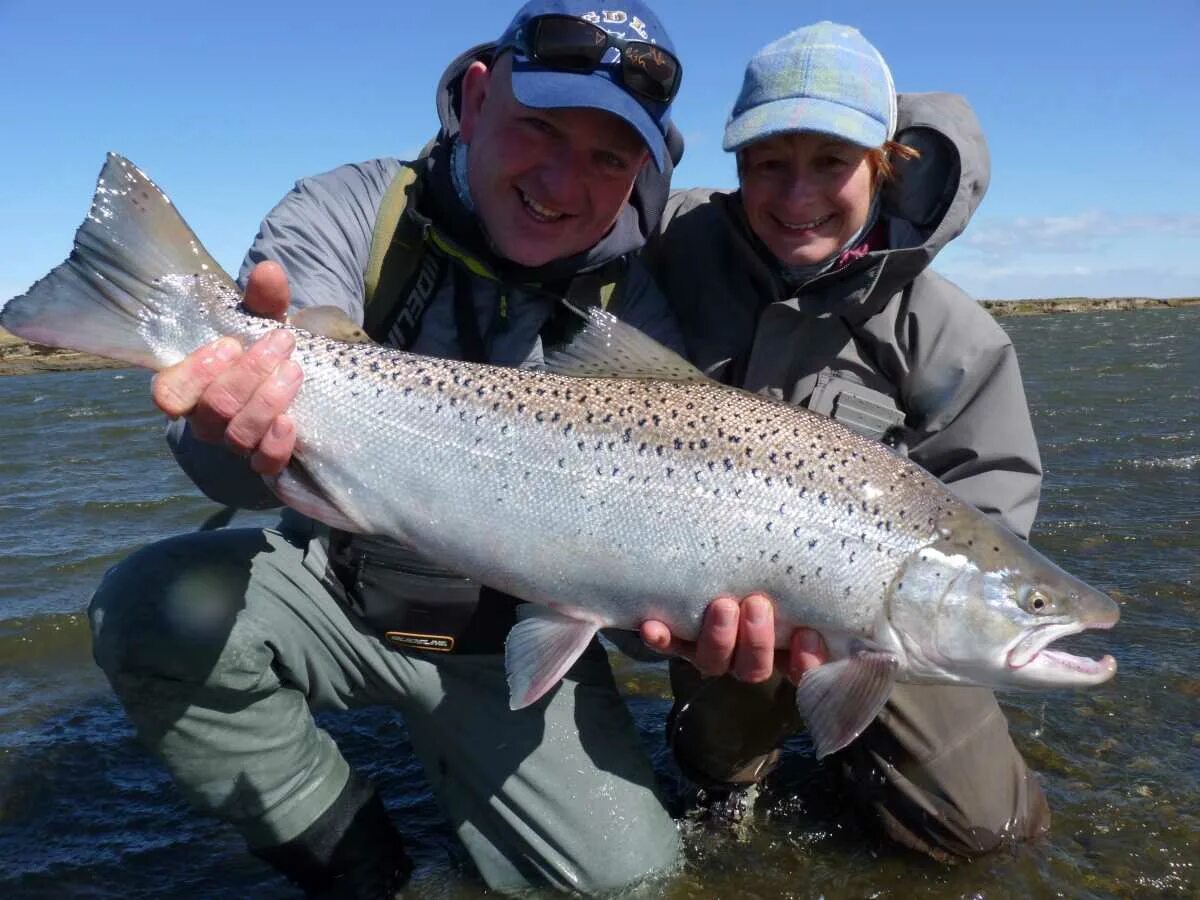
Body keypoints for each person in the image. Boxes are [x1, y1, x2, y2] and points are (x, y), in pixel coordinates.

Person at [84, 2, 750, 895]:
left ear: (642, 169)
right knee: (149, 607)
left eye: (608, 157)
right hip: (336, 574)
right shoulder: (346, 211)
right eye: (538, 128)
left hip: (506, 633)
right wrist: (225, 425)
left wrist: (676, 634)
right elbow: (220, 462)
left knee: (630, 884)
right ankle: (365, 869)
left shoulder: (638, 303)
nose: (562, 179)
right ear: (475, 100)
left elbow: (633, 589)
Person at [642, 22, 1052, 861]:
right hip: (713, 607)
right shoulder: (665, 254)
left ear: (885, 164)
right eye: (768, 165)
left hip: (894, 627)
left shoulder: (952, 336)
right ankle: (725, 774)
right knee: (716, 761)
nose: (797, 198)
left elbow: (990, 532)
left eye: (830, 163)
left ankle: (851, 751)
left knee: (984, 829)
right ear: (738, 170)